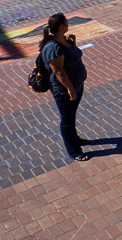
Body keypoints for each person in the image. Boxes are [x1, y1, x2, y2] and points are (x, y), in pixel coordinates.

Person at [40, 13, 89, 161]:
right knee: (67, 120)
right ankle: (74, 151)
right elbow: (58, 71)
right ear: (61, 26)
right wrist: (70, 89)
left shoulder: (64, 41)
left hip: (76, 85)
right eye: (66, 22)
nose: (68, 24)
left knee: (71, 116)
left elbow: (70, 59)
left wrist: (73, 44)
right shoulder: (53, 47)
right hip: (65, 91)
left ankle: (75, 139)